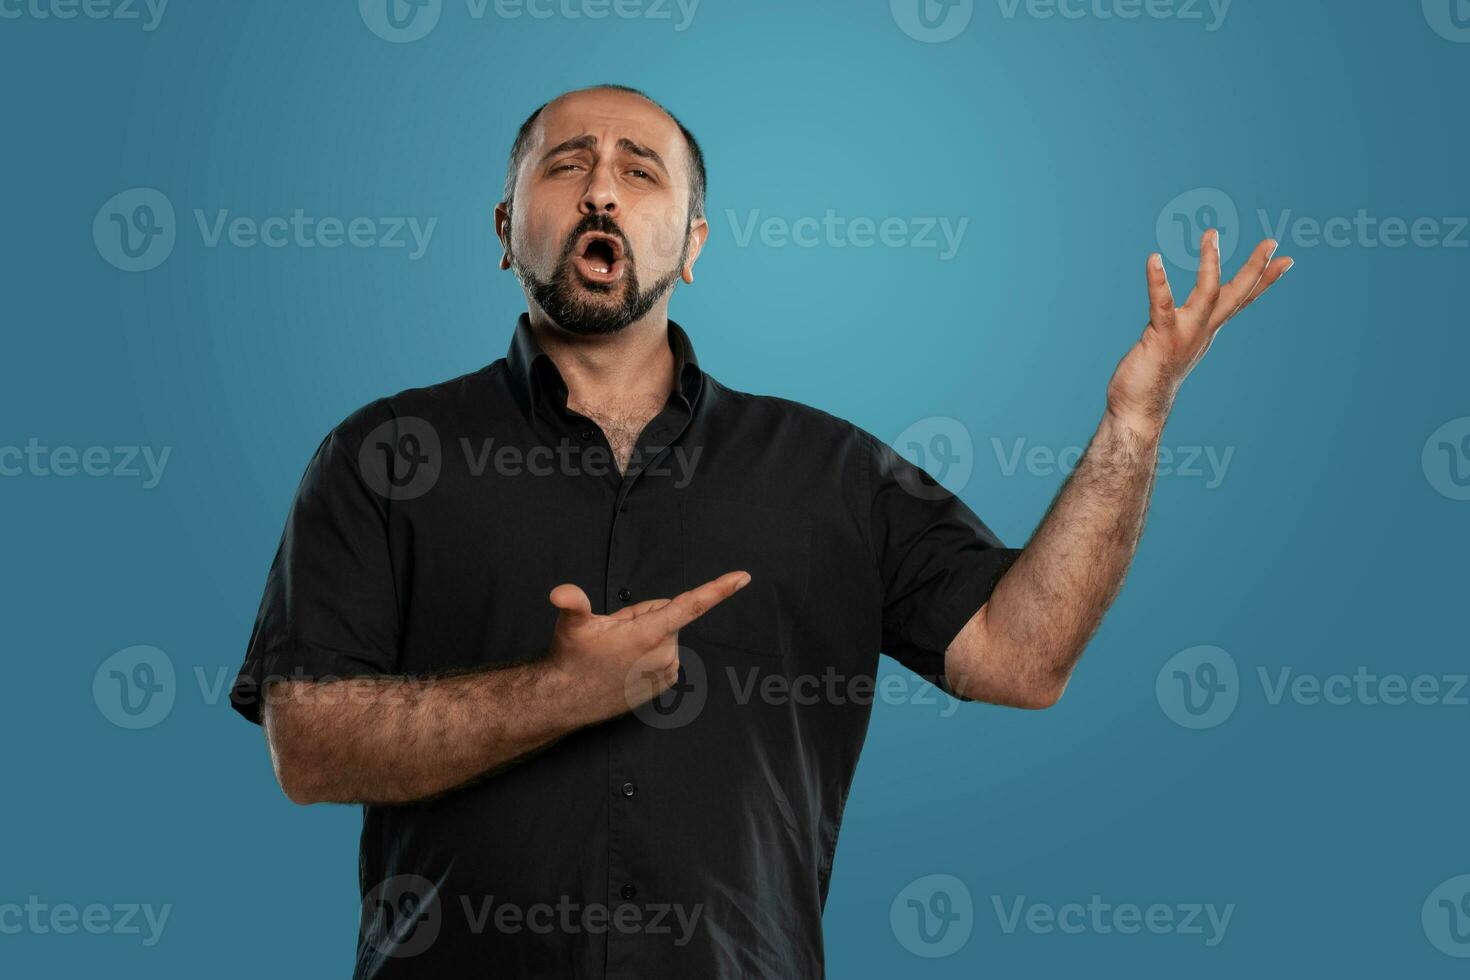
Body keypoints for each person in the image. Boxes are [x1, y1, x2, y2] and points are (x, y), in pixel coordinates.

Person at [230, 83, 1293, 978]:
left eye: (641, 169)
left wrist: (1135, 420)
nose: (601, 186)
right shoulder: (383, 453)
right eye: (566, 165)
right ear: (506, 230)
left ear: (691, 244)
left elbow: (1024, 655)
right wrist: (555, 694)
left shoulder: (831, 472)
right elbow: (309, 744)